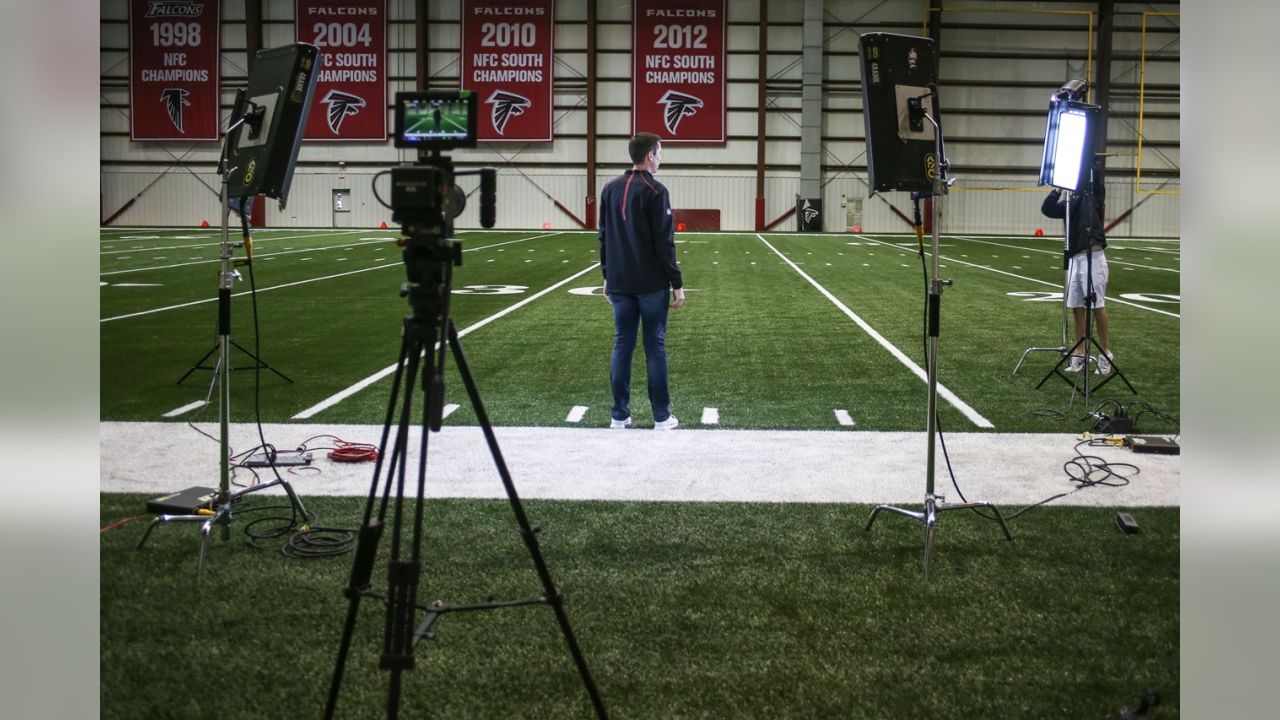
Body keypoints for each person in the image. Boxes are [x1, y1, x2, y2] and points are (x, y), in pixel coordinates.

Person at [599, 132, 686, 429]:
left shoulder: (609, 189)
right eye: (659, 153)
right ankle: (661, 416)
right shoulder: (656, 190)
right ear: (650, 155)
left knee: (622, 345)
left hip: (620, 282)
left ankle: (619, 416)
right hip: (651, 285)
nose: (660, 159)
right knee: (654, 347)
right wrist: (677, 282)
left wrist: (607, 276)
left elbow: (604, 237)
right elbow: (665, 242)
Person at [1041, 159, 1111, 374]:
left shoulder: (1093, 196)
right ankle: (1080, 353)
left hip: (1093, 255)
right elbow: (1047, 209)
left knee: (1097, 306)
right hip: (1075, 258)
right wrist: (1058, 190)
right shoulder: (1070, 204)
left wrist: (1090, 165)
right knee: (1076, 307)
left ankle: (1105, 354)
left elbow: (1097, 180)